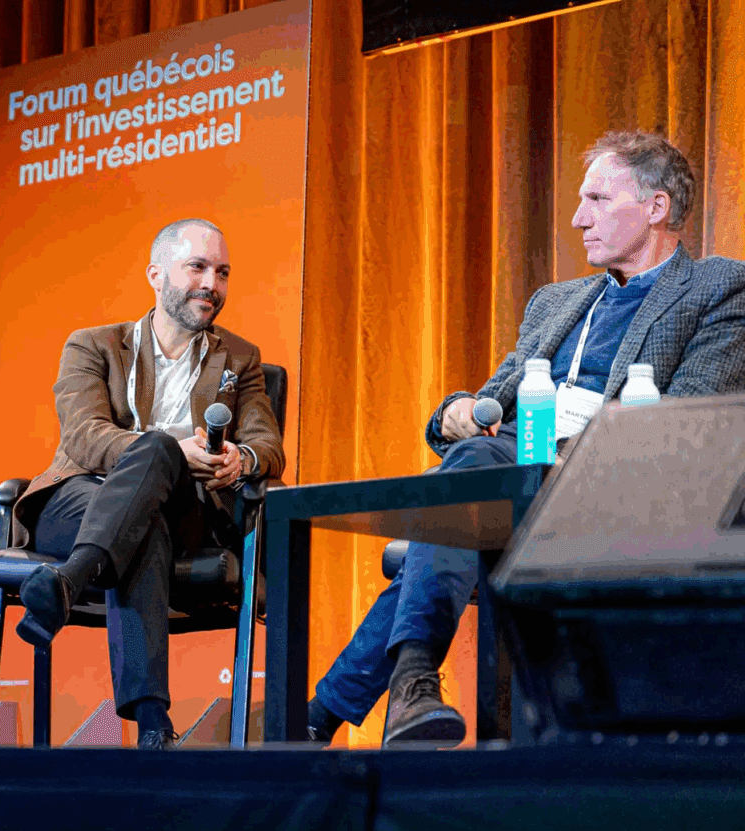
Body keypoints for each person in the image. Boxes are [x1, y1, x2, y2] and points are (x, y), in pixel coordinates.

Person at [307, 130, 745, 748]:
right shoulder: (556, 302)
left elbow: (688, 417)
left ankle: (337, 710)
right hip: (511, 461)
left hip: (610, 481)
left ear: (656, 207)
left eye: (597, 199)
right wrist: (457, 412)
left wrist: (562, 455)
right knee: (473, 478)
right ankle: (395, 690)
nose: (578, 218)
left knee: (459, 508)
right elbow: (492, 397)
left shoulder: (717, 287)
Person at [12, 218, 285, 750]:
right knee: (149, 495)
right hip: (79, 497)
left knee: (153, 493)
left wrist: (241, 459)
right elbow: (85, 436)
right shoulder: (93, 345)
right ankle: (154, 729)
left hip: (187, 511)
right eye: (198, 267)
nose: (211, 283)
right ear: (156, 275)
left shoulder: (240, 358)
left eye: (222, 273)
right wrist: (165, 451)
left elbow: (267, 446)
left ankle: (69, 581)